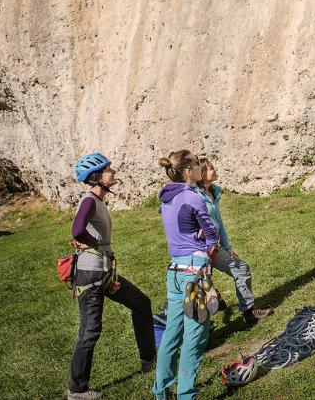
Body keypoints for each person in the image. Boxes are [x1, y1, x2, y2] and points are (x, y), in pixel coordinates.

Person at [68, 152, 155, 400]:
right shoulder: (89, 201)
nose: (113, 172)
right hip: (90, 277)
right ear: (96, 176)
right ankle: (76, 391)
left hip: (104, 275)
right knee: (90, 331)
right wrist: (92, 242)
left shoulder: (99, 200)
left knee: (141, 303)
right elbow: (77, 230)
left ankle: (149, 360)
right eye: (109, 169)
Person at [153, 150, 220, 400]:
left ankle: (161, 391)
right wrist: (207, 236)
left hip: (175, 271)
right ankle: (185, 395)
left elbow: (181, 226)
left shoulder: (166, 199)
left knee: (172, 332)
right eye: (196, 163)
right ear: (189, 171)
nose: (201, 167)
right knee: (195, 336)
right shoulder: (193, 198)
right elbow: (212, 235)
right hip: (195, 272)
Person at [195, 158, 272, 326]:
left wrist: (227, 246)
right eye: (210, 168)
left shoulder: (213, 192)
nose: (215, 169)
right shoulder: (194, 195)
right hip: (198, 252)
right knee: (199, 291)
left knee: (241, 268)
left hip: (214, 249)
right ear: (201, 174)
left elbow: (219, 222)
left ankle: (248, 311)